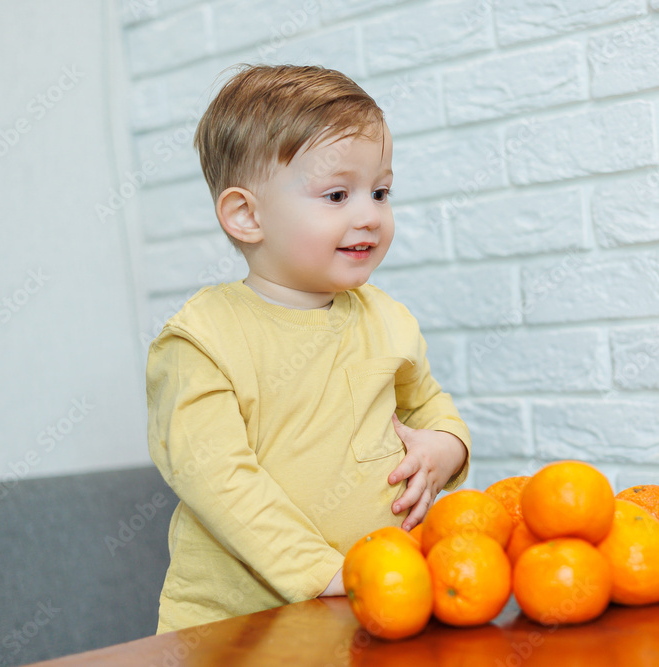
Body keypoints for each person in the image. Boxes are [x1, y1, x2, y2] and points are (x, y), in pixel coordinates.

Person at [145, 64, 471, 634]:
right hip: (239, 628)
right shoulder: (202, 339)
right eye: (338, 194)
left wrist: (446, 447)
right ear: (247, 215)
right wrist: (326, 574)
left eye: (381, 191)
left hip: (382, 606)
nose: (369, 213)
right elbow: (215, 477)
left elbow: (428, 405)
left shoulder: (387, 318)